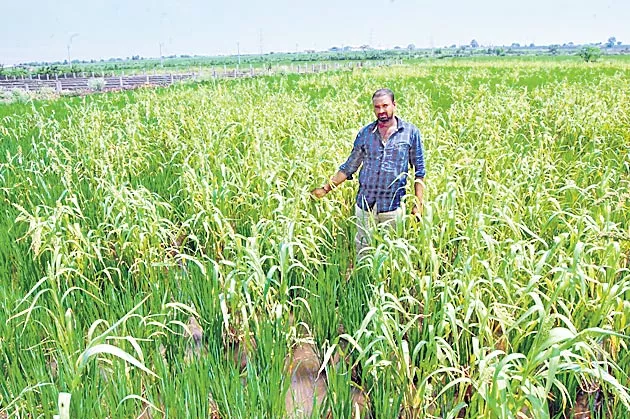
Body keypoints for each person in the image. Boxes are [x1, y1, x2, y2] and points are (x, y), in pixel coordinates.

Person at [311, 88, 426, 255]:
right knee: (363, 251)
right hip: (365, 205)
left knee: (391, 253)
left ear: (394, 105)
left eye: (385, 106)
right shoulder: (365, 134)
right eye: (377, 107)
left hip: (392, 207)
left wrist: (418, 203)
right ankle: (363, 280)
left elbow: (419, 171)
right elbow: (349, 166)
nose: (381, 111)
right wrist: (326, 189)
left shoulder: (410, 133)